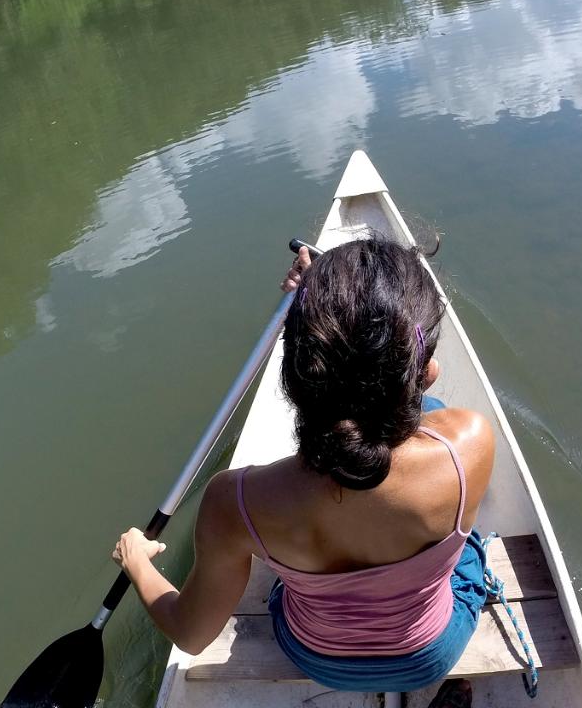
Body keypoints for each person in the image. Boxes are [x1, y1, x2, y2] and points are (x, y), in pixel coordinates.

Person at [113, 238, 495, 698]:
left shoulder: (233, 502)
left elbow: (191, 635)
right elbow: (407, 413)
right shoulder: (470, 444)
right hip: (430, 654)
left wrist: (137, 562)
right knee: (436, 425)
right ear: (425, 368)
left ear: (295, 375)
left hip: (319, 658)